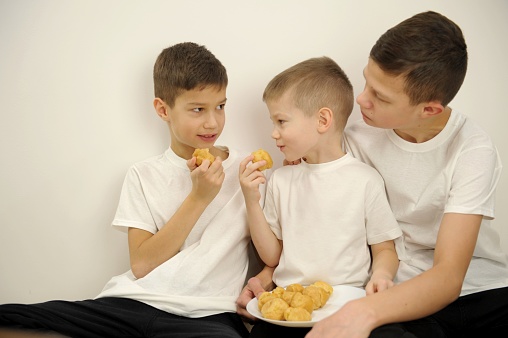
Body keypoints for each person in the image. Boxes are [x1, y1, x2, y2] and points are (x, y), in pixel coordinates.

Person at [239, 11, 508, 338]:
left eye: (380, 96)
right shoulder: (352, 138)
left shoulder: (472, 151)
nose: (361, 100)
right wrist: (267, 279)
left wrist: (361, 314)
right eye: (368, 81)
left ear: (429, 110)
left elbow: (449, 276)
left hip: (476, 292)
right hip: (391, 291)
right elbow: (307, 222)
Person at [0, 42, 262, 338]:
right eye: (198, 109)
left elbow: (272, 254)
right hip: (130, 303)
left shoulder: (247, 170)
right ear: (163, 109)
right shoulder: (143, 174)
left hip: (209, 314)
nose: (213, 121)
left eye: (221, 106)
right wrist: (199, 198)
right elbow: (142, 265)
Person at [238, 56, 403, 338]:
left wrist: (381, 276)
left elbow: (385, 249)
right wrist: (251, 200)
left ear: (323, 120)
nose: (274, 133)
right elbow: (272, 255)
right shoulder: (280, 180)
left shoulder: (364, 180)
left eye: (281, 121)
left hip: (349, 304)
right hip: (288, 307)